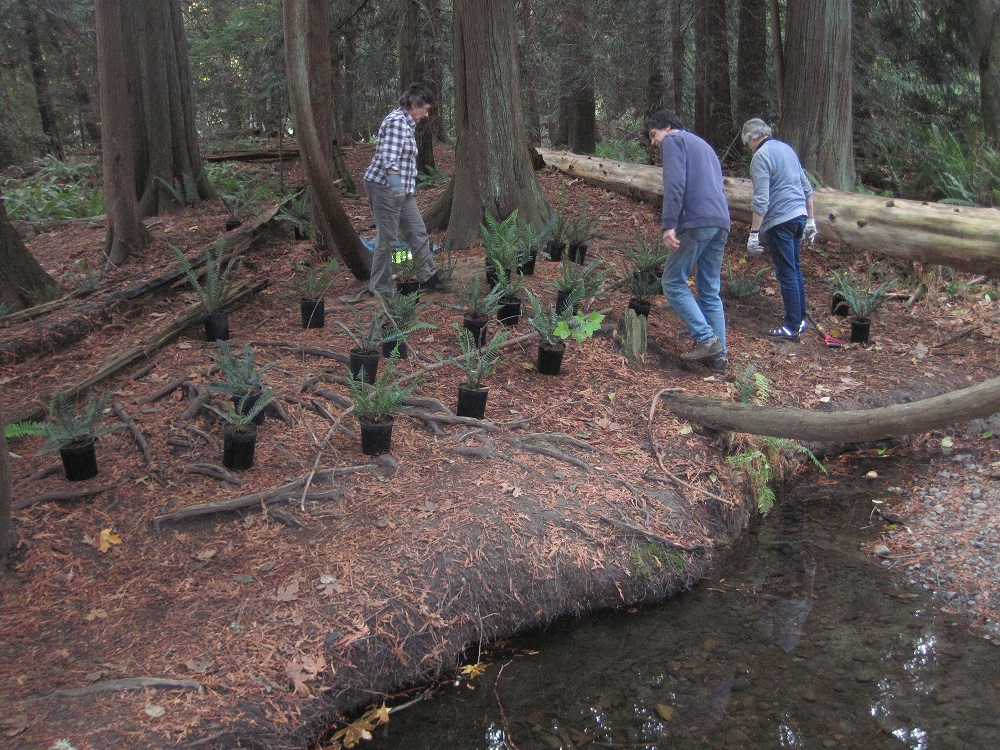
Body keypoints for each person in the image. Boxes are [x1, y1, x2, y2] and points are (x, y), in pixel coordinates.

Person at [645, 110, 731, 371]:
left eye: (654, 135)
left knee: (672, 281)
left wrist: (669, 224)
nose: (653, 142)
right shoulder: (702, 145)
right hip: (721, 221)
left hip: (696, 220)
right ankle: (719, 359)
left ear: (667, 127)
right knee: (709, 289)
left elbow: (675, 184)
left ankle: (706, 339)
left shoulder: (674, 141)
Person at [363, 84, 444, 296]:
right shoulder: (396, 122)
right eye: (425, 109)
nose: (426, 115)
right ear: (414, 104)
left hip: (402, 190)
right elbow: (388, 158)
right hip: (385, 187)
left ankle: (428, 277)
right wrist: (395, 185)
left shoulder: (407, 124)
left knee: (417, 231)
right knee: (388, 239)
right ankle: (380, 287)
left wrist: (402, 189)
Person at [741, 118, 817, 342]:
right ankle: (799, 319)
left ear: (752, 137)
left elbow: (761, 200)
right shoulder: (787, 149)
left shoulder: (761, 156)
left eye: (747, 143)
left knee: (786, 273)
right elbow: (807, 188)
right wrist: (811, 220)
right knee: (794, 269)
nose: (749, 148)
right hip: (799, 216)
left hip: (780, 220)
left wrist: (754, 234)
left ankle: (792, 326)